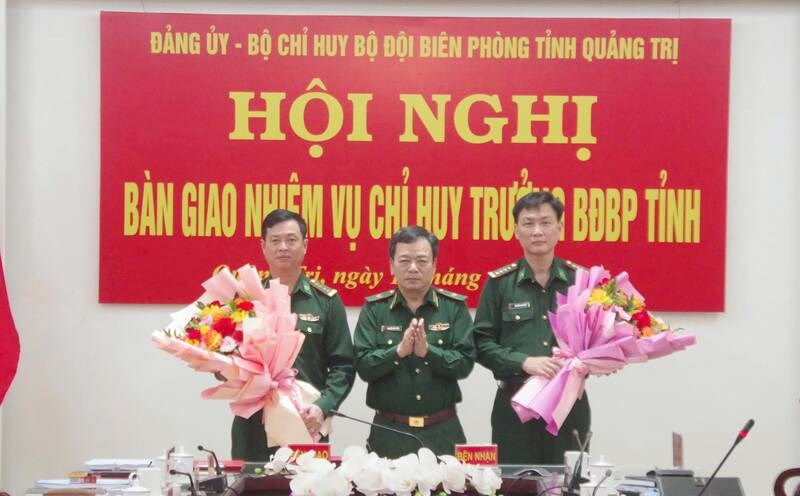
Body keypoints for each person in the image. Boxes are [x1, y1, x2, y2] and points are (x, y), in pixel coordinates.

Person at [473, 191, 590, 464]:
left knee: (567, 486)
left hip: (568, 405)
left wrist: (601, 361)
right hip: (514, 404)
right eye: (528, 223)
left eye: (545, 222)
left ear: (560, 228)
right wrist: (524, 362)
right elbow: (481, 343)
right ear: (516, 231)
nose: (537, 231)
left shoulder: (580, 282)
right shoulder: (500, 283)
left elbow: (596, 342)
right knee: (514, 485)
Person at [231, 209, 356, 461]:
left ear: (305, 245)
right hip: (253, 426)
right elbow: (224, 358)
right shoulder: (244, 300)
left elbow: (343, 365)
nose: (283, 247)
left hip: (306, 422)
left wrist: (323, 407)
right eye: (275, 241)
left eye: (291, 239)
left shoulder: (326, 302)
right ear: (263, 247)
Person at [354, 226, 475, 458]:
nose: (413, 268)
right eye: (404, 260)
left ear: (434, 264)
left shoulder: (454, 308)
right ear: (391, 265)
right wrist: (398, 352)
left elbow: (464, 363)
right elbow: (363, 366)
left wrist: (428, 352)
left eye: (421, 260)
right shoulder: (375, 310)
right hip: (388, 432)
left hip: (443, 432)